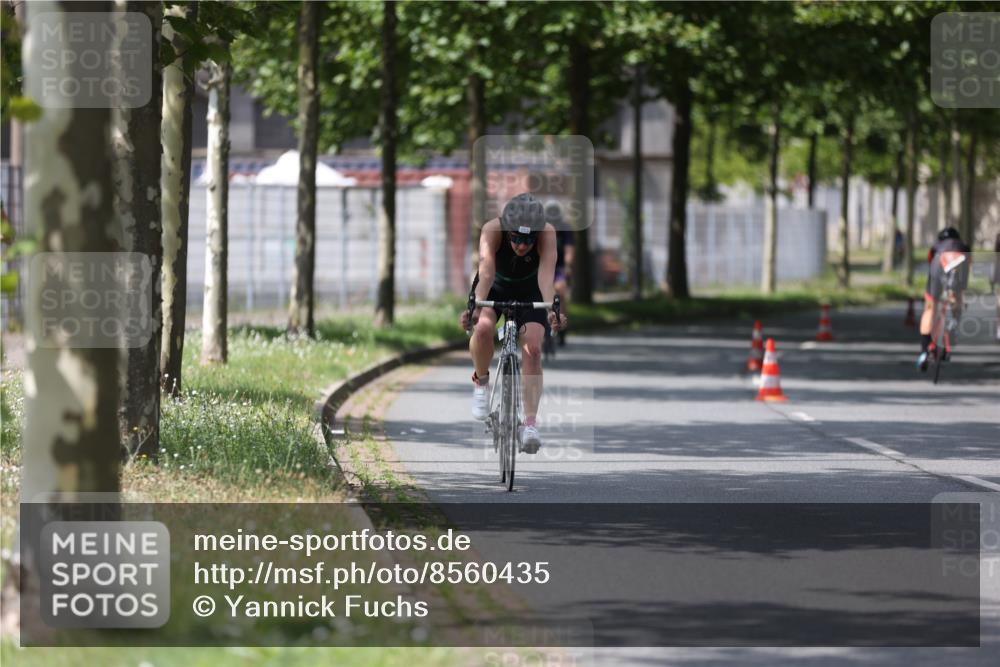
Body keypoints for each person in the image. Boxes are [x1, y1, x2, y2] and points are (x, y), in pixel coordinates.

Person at [459, 193, 568, 453]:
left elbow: (545, 278)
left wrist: (552, 309)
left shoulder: (547, 233)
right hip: (495, 286)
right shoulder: (492, 230)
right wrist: (475, 308)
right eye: (516, 238)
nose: (521, 245)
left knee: (532, 347)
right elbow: (485, 273)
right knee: (484, 329)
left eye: (528, 240)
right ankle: (481, 382)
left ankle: (529, 424)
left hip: (531, 290)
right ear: (507, 231)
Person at [917, 226, 971, 370]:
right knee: (957, 297)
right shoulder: (962, 246)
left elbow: (931, 265)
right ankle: (954, 323)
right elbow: (968, 266)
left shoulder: (936, 247)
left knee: (930, 308)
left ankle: (923, 352)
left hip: (938, 264)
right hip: (961, 260)